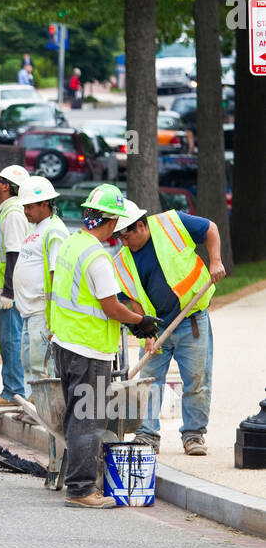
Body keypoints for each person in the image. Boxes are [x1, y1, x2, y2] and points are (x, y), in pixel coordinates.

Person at [49, 184, 158, 508]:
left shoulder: (72, 244)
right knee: (88, 419)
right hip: (88, 350)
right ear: (110, 222)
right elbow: (111, 308)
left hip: (66, 345)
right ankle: (81, 490)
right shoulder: (97, 258)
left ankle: (76, 481)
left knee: (76, 417)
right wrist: (140, 322)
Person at [113, 199, 226, 455]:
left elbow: (211, 228)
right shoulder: (121, 261)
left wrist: (216, 261)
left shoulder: (172, 223)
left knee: (197, 379)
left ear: (140, 226)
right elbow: (132, 300)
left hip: (191, 319)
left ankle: (194, 435)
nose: (123, 242)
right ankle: (147, 434)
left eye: (125, 236)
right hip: (156, 328)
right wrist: (146, 332)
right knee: (149, 382)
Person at [12, 176, 69, 385]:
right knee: (29, 364)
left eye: (29, 207)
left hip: (43, 312)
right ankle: (34, 407)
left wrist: (54, 319)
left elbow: (57, 276)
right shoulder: (36, 227)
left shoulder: (54, 231)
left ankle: (45, 412)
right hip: (30, 310)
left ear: (44, 204)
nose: (26, 212)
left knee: (41, 368)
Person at [0, 163, 30, 407]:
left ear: (7, 186)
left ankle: (13, 392)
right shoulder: (7, 211)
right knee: (9, 340)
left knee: (11, 340)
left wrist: (8, 293)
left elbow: (15, 254)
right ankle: (13, 389)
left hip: (10, 294)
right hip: (6, 290)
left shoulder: (13, 214)